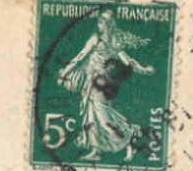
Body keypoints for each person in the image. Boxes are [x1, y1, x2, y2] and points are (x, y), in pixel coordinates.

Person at [57, 10, 154, 162]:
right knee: (93, 114)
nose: (99, 24)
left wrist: (65, 72)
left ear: (107, 24)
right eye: (100, 21)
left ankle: (129, 132)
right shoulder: (113, 40)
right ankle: (97, 150)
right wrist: (144, 70)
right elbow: (129, 62)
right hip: (98, 82)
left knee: (101, 115)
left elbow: (81, 57)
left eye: (102, 22)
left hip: (99, 83)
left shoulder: (98, 39)